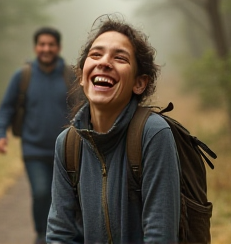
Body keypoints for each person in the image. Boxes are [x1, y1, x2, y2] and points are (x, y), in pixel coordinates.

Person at [46, 15, 181, 244]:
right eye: (95, 54)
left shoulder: (153, 134)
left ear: (139, 83)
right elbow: (60, 233)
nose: (104, 62)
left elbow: (160, 235)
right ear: (81, 76)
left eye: (120, 57)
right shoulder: (67, 144)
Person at [0, 27, 74, 244]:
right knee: (41, 193)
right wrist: (0, 134)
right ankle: (41, 234)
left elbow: (83, 108)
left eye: (51, 44)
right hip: (33, 149)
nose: (46, 49)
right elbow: (6, 108)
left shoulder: (71, 76)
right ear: (35, 47)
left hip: (66, 152)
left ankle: (61, 236)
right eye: (42, 44)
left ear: (58, 47)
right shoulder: (23, 76)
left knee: (65, 198)